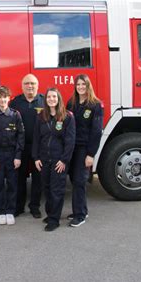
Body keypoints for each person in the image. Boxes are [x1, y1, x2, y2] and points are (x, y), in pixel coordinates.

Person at [32, 88, 75, 232]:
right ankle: (51, 214)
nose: (51, 99)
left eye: (54, 97)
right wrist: (36, 157)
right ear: (46, 100)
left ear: (59, 99)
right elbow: (36, 139)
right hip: (44, 159)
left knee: (57, 190)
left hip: (58, 161)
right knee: (47, 188)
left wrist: (64, 160)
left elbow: (70, 141)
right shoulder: (41, 117)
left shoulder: (67, 116)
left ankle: (54, 220)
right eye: (49, 97)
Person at [66, 74, 103, 227]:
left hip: (84, 148)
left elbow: (96, 131)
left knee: (80, 180)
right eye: (78, 84)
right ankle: (81, 209)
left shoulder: (95, 105)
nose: (80, 87)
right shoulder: (71, 103)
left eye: (83, 84)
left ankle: (80, 215)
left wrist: (91, 154)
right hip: (71, 147)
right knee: (74, 179)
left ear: (88, 86)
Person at [9, 73, 45, 218]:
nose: (30, 86)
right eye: (27, 83)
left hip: (39, 147)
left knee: (38, 178)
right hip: (21, 147)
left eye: (33, 83)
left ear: (37, 85)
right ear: (22, 86)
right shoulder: (16, 103)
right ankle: (19, 206)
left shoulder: (44, 102)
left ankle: (35, 206)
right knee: (20, 178)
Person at [0, 86, 25, 225]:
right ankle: (1, 211)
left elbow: (20, 136)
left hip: (12, 154)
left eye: (5, 97)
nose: (2, 100)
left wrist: (18, 156)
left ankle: (10, 211)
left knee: (12, 184)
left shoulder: (15, 115)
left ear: (9, 98)